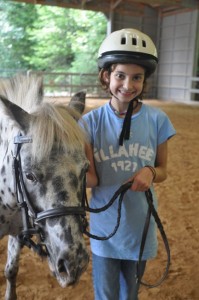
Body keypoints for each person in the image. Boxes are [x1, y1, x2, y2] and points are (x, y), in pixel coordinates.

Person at [81, 28, 176, 300]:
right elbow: (92, 180)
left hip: (139, 226)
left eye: (137, 77)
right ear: (106, 76)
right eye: (120, 75)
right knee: (106, 296)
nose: (127, 84)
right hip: (104, 229)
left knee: (130, 295)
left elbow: (164, 170)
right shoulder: (89, 123)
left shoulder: (158, 120)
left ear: (145, 80)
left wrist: (150, 171)